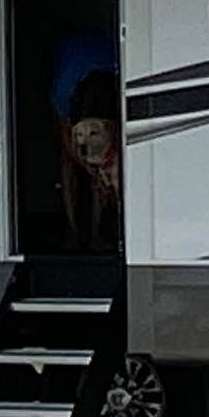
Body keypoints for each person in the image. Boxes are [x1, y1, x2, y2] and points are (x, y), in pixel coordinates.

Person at [47, 32, 123, 252]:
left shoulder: (122, 87)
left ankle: (98, 234)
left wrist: (104, 172)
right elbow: (70, 146)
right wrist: (88, 166)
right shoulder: (63, 93)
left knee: (105, 161)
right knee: (69, 161)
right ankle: (72, 233)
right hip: (72, 65)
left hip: (102, 73)